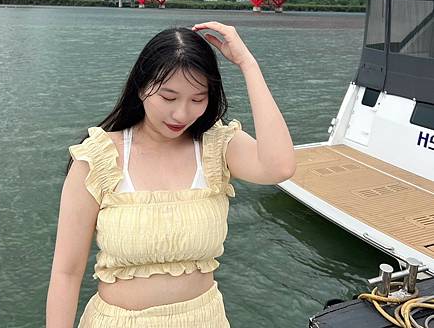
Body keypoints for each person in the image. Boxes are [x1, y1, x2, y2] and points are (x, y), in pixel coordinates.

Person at [46, 20, 296, 328]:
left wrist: (248, 64)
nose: (181, 114)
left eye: (197, 99)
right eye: (168, 97)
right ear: (141, 87)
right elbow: (66, 273)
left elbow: (280, 167)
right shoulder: (99, 157)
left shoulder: (216, 147)